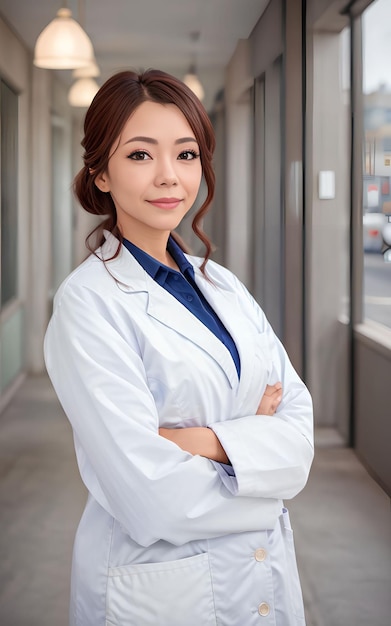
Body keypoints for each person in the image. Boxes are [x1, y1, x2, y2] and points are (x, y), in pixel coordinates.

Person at [44, 69, 314, 626]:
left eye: (186, 155)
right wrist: (255, 454)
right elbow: (151, 495)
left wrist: (197, 442)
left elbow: (299, 435)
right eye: (141, 156)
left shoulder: (223, 285)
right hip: (160, 593)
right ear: (100, 172)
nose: (169, 177)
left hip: (261, 579)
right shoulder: (88, 303)